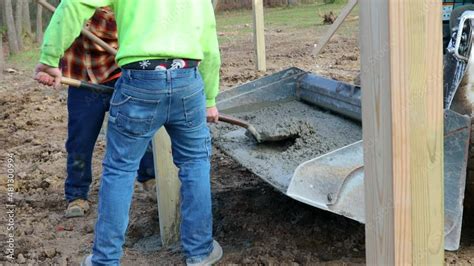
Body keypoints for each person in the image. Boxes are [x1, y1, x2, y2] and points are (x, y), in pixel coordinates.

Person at [34, 1, 222, 265]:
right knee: (195, 164)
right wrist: (210, 98)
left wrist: (49, 59)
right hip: (187, 79)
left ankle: (105, 260)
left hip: (140, 80)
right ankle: (200, 252)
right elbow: (209, 44)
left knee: (119, 169)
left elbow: (75, 3)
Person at [61, 7, 156, 218]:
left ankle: (150, 177)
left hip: (119, 73)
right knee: (80, 139)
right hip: (81, 77)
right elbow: (62, 25)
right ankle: (76, 194)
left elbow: (115, 29)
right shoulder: (71, 5)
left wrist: (83, 14)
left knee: (137, 128)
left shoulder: (121, 6)